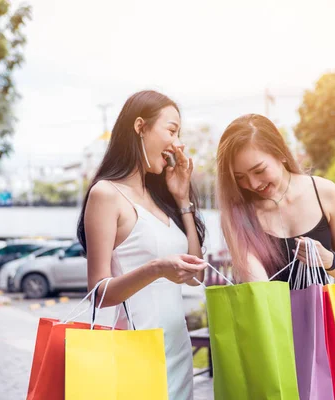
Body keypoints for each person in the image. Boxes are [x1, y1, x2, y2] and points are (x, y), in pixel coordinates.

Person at [77, 90, 207, 400]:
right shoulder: (106, 194)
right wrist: (157, 269)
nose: (178, 144)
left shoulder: (161, 199)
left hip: (177, 347)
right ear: (140, 127)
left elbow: (196, 275)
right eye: (171, 130)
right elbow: (98, 293)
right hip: (136, 348)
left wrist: (183, 199)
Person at [215, 113, 335, 285]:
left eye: (259, 170)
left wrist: (328, 260)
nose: (252, 184)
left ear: (281, 153)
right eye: (240, 177)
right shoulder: (237, 214)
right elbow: (259, 288)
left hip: (319, 310)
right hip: (269, 311)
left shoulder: (325, 192)